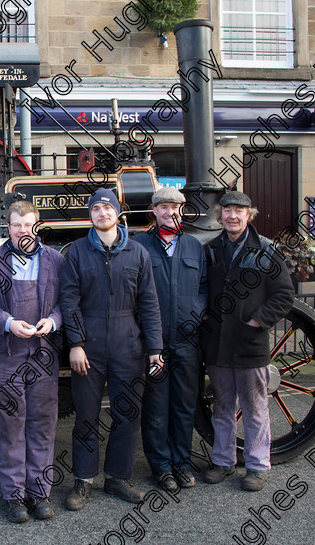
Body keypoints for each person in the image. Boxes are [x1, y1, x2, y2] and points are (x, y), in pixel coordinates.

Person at [59, 187, 163, 510]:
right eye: (96, 209)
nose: (102, 213)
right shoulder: (76, 252)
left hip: (127, 344)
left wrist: (154, 348)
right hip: (89, 346)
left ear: (117, 214)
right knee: (86, 416)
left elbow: (149, 304)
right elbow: (69, 301)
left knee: (126, 415)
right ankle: (84, 479)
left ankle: (118, 477)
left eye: (107, 208)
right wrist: (75, 344)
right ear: (89, 215)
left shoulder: (137, 254)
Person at [0, 201, 64, 523]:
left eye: (28, 224)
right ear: (8, 228)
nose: (23, 230)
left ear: (36, 226)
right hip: (6, 354)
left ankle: (40, 494)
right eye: (16, 225)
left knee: (42, 425)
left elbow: (68, 301)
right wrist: (9, 323)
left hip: (42, 355)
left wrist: (52, 321)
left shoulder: (55, 260)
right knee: (11, 426)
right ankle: (14, 496)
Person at [200, 191, 294, 492]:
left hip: (250, 345)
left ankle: (257, 466)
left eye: (238, 211)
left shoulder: (267, 250)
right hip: (217, 346)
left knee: (255, 409)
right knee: (222, 407)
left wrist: (256, 322)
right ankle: (223, 462)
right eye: (227, 211)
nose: (232, 216)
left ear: (249, 215)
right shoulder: (212, 249)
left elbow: (283, 296)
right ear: (220, 215)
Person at [132, 187, 207, 492]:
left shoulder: (194, 247)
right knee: (156, 407)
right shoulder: (139, 246)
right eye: (163, 207)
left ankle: (182, 463)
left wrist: (195, 313)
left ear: (183, 210)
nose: (169, 212)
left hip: (186, 343)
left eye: (175, 206)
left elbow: (203, 288)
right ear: (154, 211)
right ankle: (161, 467)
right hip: (155, 345)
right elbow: (132, 291)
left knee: (184, 406)